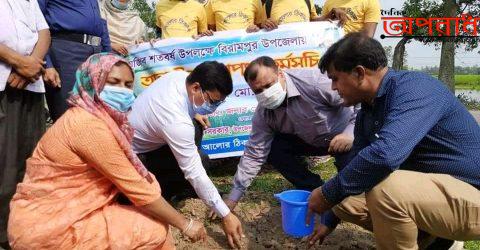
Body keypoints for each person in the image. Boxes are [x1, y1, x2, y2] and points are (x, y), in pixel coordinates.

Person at [7, 53, 206, 249]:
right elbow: (139, 189)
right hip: (51, 226)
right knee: (154, 229)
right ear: (93, 81)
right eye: (113, 82)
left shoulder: (97, 118)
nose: (123, 91)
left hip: (64, 211)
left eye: (128, 85)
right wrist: (185, 224)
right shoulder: (88, 126)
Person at [307, 33, 480, 250]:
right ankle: (429, 239)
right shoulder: (367, 112)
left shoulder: (415, 90)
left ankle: (444, 236)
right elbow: (355, 168)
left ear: (359, 73)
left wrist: (326, 194)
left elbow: (385, 154)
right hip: (437, 194)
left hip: (472, 195)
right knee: (344, 199)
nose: (333, 87)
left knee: (386, 190)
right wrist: (329, 219)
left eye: (335, 78)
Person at [217, 56, 356, 231]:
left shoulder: (315, 83)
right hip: (308, 140)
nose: (265, 93)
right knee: (273, 147)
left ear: (281, 74)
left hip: (343, 137)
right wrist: (233, 197)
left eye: (268, 85)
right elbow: (254, 152)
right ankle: (315, 189)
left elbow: (359, 102)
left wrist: (350, 133)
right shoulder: (264, 113)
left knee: (353, 192)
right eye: (258, 91)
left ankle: (344, 197)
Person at [129, 62, 244, 249]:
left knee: (199, 145)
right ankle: (164, 193)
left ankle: (180, 185)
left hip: (153, 142)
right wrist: (226, 215)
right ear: (196, 88)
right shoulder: (175, 120)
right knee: (198, 166)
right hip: (137, 157)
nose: (214, 107)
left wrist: (194, 113)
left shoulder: (180, 78)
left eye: (219, 102)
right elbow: (194, 171)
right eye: (212, 101)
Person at [0, 0, 51, 248]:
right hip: (3, 83)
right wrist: (19, 62)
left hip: (30, 84)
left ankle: (22, 231)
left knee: (29, 161)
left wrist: (31, 63)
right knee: (4, 165)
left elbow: (44, 33)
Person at [38, 0, 112, 121]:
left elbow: (102, 22)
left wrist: (108, 58)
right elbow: (36, 19)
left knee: (96, 116)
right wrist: (47, 63)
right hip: (66, 51)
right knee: (68, 115)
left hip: (96, 52)